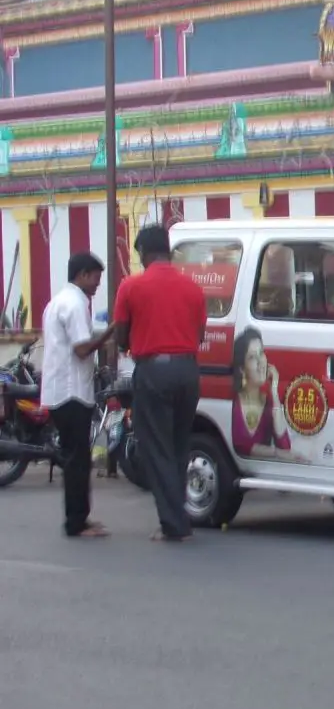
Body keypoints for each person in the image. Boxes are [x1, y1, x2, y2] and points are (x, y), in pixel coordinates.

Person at [114, 225, 206, 541]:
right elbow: (199, 334)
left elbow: (121, 336)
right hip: (188, 371)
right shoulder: (192, 288)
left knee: (157, 448)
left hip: (153, 371)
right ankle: (180, 515)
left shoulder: (131, 286)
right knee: (179, 445)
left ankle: (173, 523)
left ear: (143, 252)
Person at [40, 252, 116, 538]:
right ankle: (75, 523)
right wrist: (109, 333)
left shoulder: (58, 301)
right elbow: (82, 348)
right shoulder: (74, 304)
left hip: (62, 389)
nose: (98, 284)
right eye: (95, 278)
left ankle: (81, 518)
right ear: (82, 275)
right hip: (70, 392)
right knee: (77, 460)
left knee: (78, 458)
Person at [231, 326, 292, 459]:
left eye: (261, 353)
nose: (261, 362)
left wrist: (274, 391)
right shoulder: (234, 402)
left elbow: (285, 448)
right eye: (252, 357)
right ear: (242, 369)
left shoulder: (269, 404)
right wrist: (274, 453)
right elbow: (240, 445)